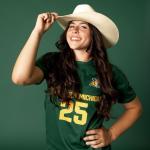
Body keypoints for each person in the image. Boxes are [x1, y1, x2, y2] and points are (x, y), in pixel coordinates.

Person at [12, 4, 142, 150]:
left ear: (95, 35)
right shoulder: (53, 62)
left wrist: (111, 134)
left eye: (83, 26)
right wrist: (38, 32)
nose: (74, 29)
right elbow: (19, 78)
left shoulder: (110, 72)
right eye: (71, 25)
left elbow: (135, 108)